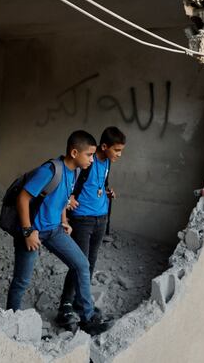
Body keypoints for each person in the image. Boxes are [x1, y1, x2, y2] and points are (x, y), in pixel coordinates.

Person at [5, 130, 111, 335]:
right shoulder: (51, 170)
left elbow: (65, 195)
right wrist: (28, 231)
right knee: (22, 281)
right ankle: (11, 321)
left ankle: (87, 317)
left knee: (82, 264)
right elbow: (23, 199)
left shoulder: (77, 171)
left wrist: (64, 220)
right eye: (89, 155)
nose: (92, 159)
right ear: (74, 152)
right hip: (32, 232)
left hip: (54, 231)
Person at [56, 126, 126, 327]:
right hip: (82, 219)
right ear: (104, 147)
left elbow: (100, 184)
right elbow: (69, 174)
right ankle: (66, 306)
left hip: (100, 219)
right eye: (117, 150)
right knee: (79, 263)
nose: (119, 155)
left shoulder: (107, 163)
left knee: (90, 263)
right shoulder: (87, 160)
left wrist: (107, 191)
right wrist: (69, 197)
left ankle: (81, 303)